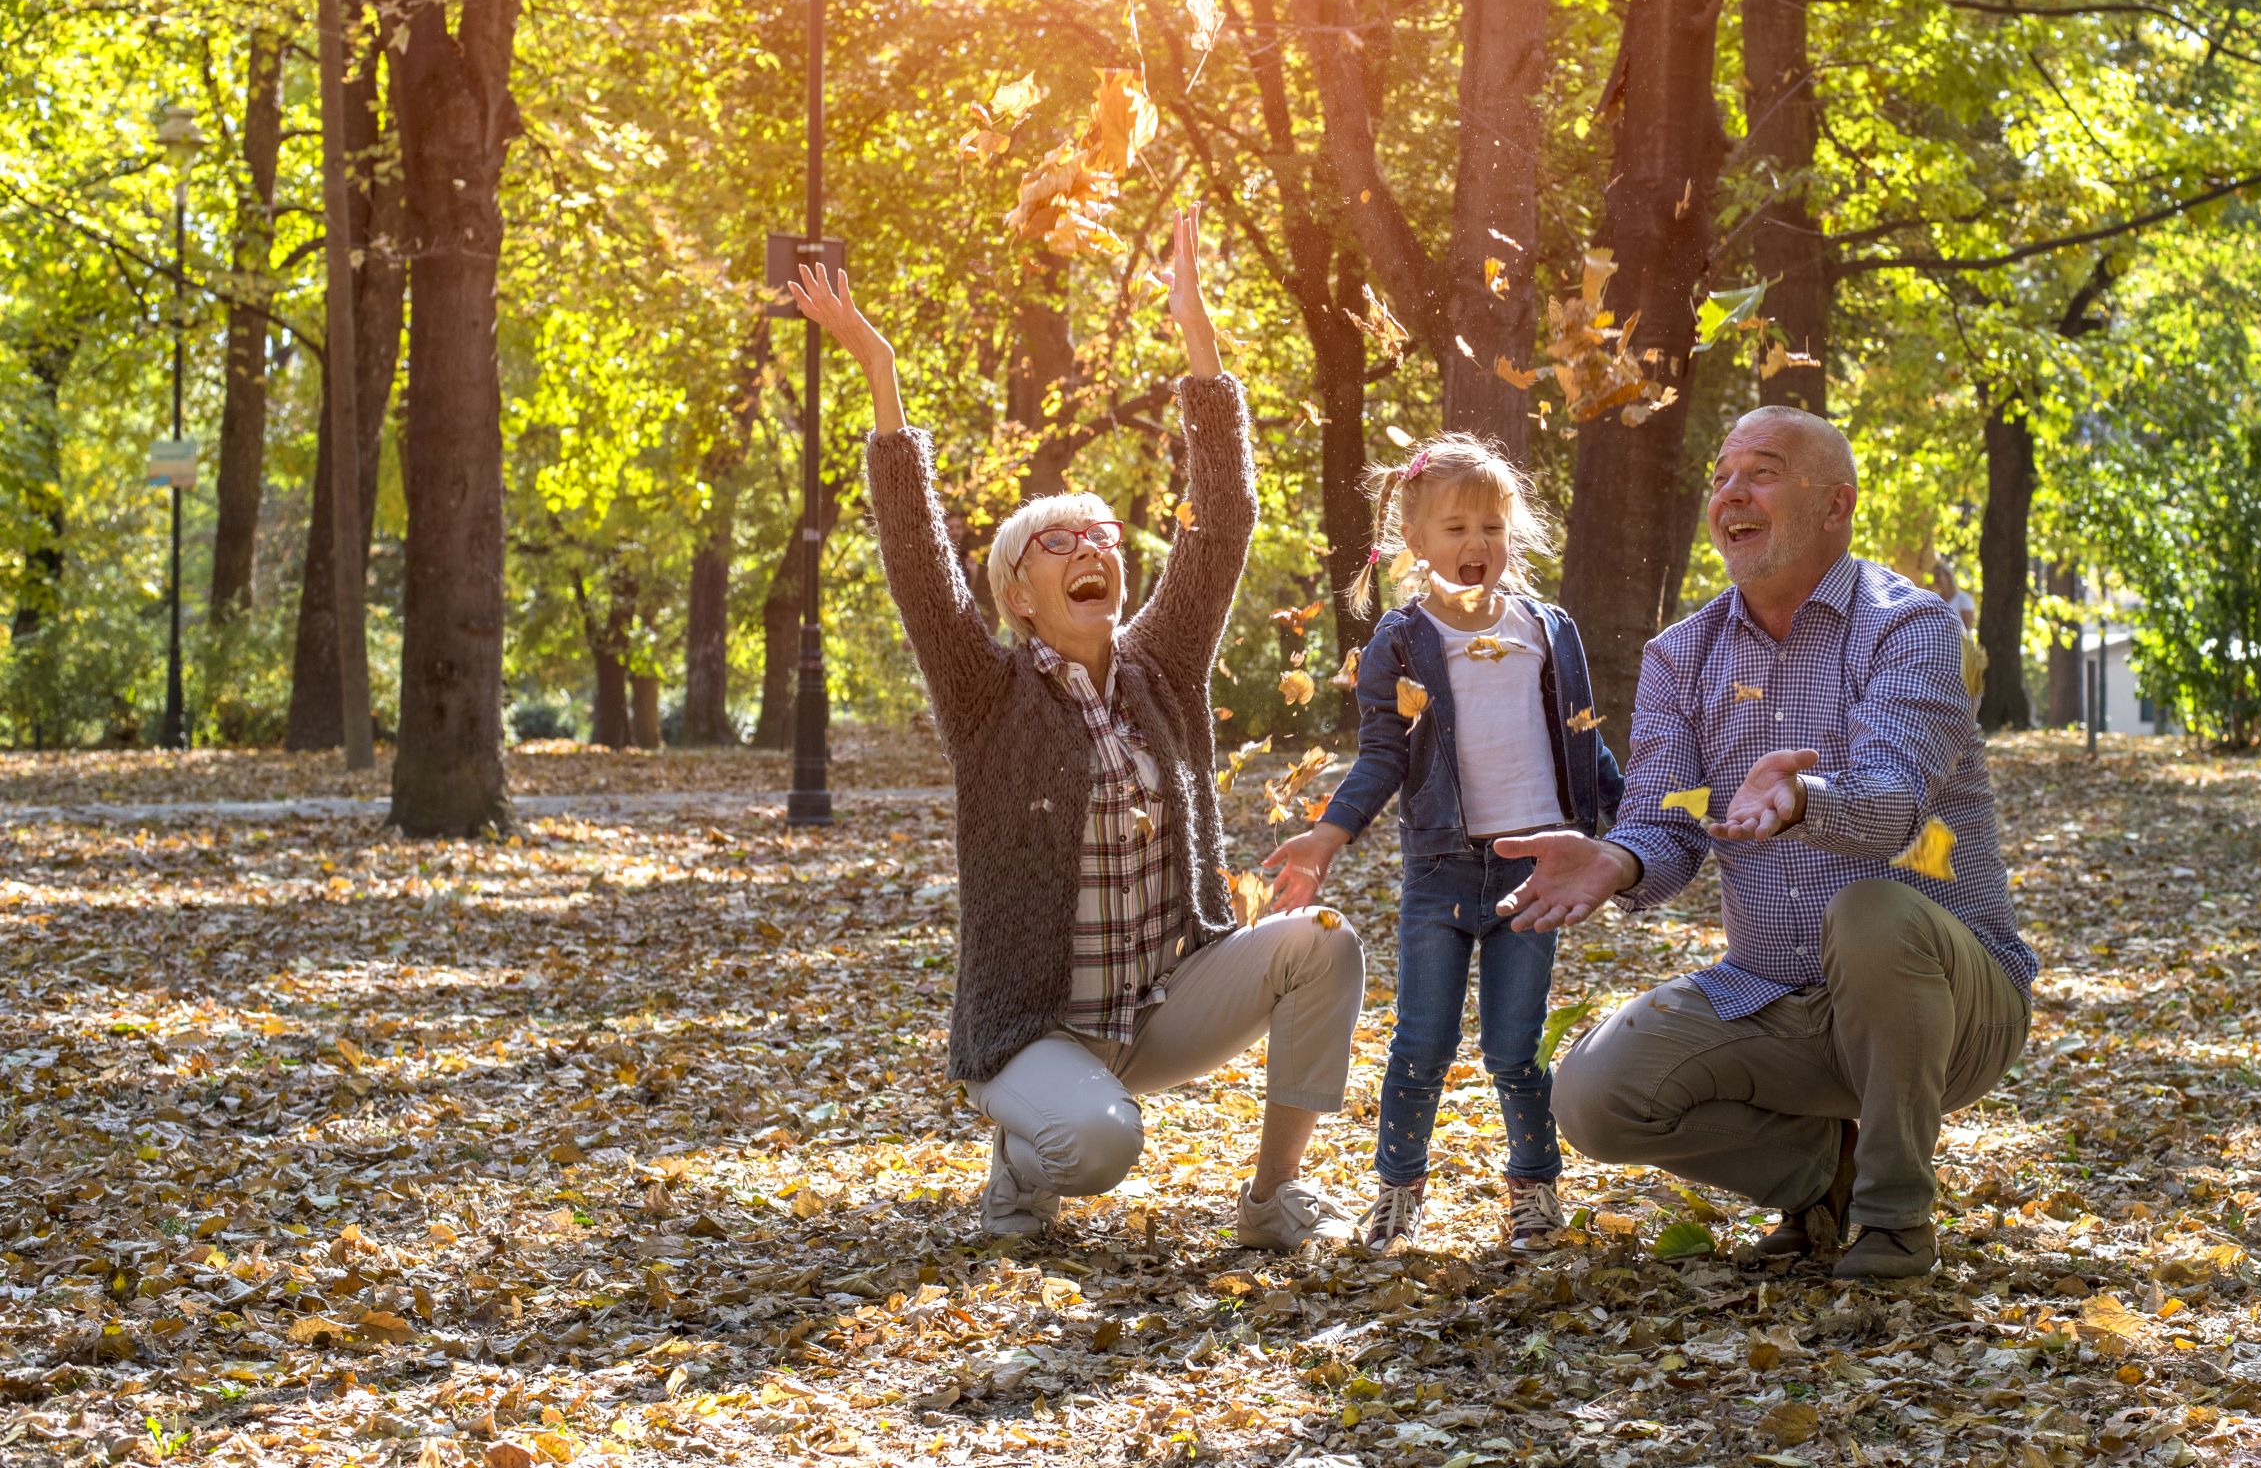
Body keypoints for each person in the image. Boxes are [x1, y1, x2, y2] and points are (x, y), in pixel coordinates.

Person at [786, 206, 1364, 1250]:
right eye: (1057, 540)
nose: (1090, 545)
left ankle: (1275, 1194)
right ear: (1017, 592)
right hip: (1036, 1028)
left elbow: (1221, 518)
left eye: (1101, 534)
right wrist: (878, 368)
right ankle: (1025, 1146)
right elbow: (918, 558)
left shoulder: (1162, 666)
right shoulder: (986, 692)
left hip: (1162, 1000)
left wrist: (1199, 340)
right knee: (1102, 1151)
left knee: (1325, 945)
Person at [1492, 406, 2035, 1279]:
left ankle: (1895, 1219)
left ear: (1835, 505)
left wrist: (1801, 801)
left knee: (1869, 912)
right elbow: (1668, 823)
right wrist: (1615, 859)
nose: (1731, 494)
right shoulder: (1682, 657)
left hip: (1947, 1000)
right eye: (1720, 476)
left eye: (1764, 471)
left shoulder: (1911, 628)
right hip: (1775, 995)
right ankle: (1828, 1180)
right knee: (1592, 1094)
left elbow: (1894, 806)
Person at [1261, 435, 1623, 1255]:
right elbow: (1384, 752)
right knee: (1422, 1039)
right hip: (1439, 871)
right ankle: (1398, 1190)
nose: (1475, 546)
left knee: (1514, 1045)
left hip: (1535, 873)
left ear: (1511, 536)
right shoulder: (1400, 639)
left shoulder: (1546, 629)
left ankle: (1533, 1190)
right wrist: (1326, 836)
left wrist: (1635, 829)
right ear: (1415, 542)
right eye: (1455, 529)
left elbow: (1585, 744)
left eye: (1491, 528)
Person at [1931, 559, 1976, 634]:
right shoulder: (1934, 598)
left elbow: (1968, 627)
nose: (1936, 579)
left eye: (1938, 575)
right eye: (1935, 576)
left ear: (1948, 576)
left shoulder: (1964, 598)